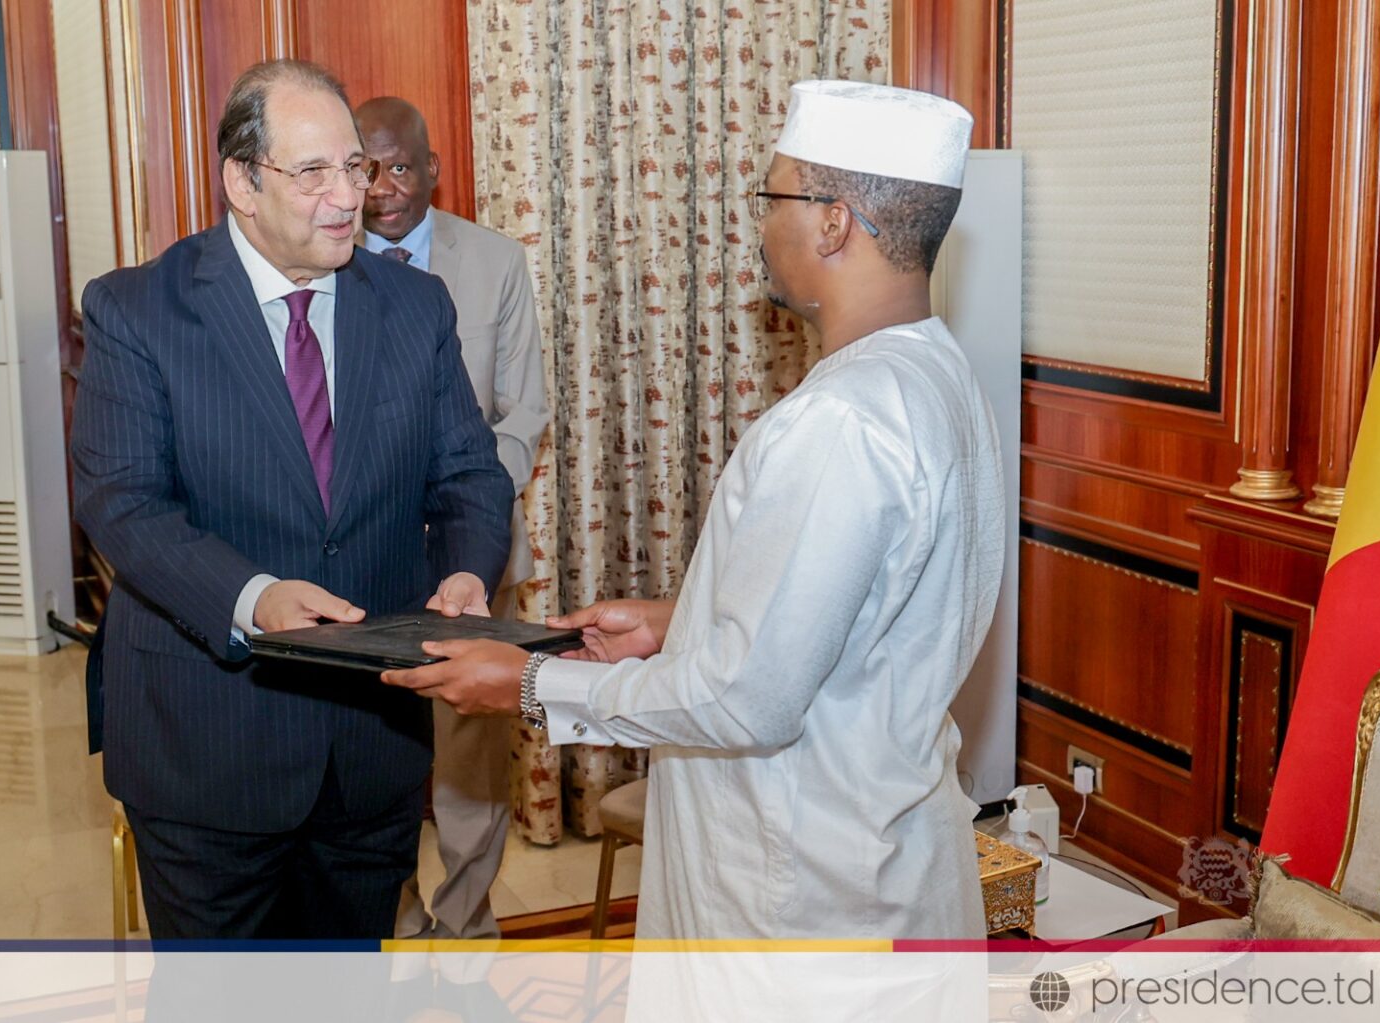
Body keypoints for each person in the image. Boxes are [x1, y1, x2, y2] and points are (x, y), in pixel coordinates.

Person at [381, 81, 1003, 939]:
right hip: (880, 850)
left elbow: (747, 699)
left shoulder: (840, 420)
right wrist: (683, 620)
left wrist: (525, 681)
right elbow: (857, 621)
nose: (760, 226)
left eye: (773, 197)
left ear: (834, 224)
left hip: (802, 888)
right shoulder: (939, 376)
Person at [70, 59, 513, 939]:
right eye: (313, 173)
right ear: (242, 182)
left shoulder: (415, 306)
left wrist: (468, 570)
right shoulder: (138, 310)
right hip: (207, 746)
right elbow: (123, 501)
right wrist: (253, 596)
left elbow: (469, 471)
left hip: (369, 749)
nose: (349, 197)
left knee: (346, 990)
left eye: (354, 167)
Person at [353, 95, 550, 942]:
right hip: (367, 553)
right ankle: (396, 921)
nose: (383, 188)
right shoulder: (324, 260)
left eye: (400, 167)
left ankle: (467, 930)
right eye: (366, 170)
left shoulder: (494, 260)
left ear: (432, 168)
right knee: (378, 749)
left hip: (474, 544)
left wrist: (469, 506)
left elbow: (523, 412)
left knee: (470, 752)